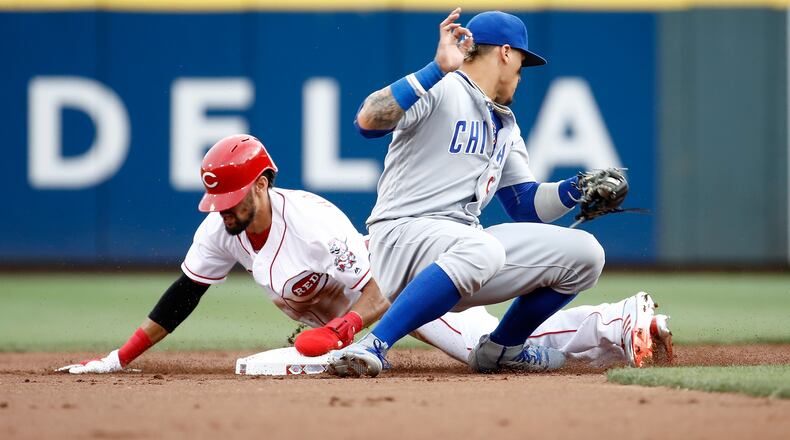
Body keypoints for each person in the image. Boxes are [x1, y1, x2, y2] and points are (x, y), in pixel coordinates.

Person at [57, 134, 670, 374]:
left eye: (237, 197)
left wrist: (351, 328)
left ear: (264, 184)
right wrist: (119, 357)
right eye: (219, 201)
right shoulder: (221, 228)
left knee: (483, 349)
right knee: (484, 349)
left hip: (402, 291)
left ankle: (619, 320)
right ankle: (612, 324)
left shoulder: (315, 222)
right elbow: (183, 296)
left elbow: (385, 283)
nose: (227, 210)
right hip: (347, 322)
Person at [326, 8, 632, 378]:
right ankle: (374, 344)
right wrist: (436, 69)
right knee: (481, 247)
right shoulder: (444, 86)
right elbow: (367, 121)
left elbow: (527, 207)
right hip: (403, 237)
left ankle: (503, 350)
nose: (521, 73)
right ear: (505, 52)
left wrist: (576, 190)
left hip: (461, 249)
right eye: (521, 60)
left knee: (586, 254)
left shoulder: (504, 123)